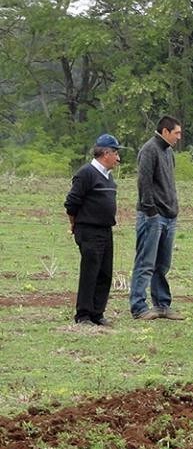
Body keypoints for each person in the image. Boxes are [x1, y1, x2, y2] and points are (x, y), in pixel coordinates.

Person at [64, 134, 124, 327]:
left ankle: (97, 313)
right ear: (105, 153)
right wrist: (74, 223)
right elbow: (71, 203)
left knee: (105, 272)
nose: (118, 158)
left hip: (106, 230)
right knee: (90, 272)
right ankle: (83, 315)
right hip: (89, 230)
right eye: (115, 153)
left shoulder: (108, 176)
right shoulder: (86, 173)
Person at [129, 115, 184, 321]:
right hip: (152, 216)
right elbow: (144, 182)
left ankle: (162, 305)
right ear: (165, 131)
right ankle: (138, 307)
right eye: (176, 133)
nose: (179, 137)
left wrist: (173, 209)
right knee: (145, 263)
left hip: (169, 216)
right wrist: (151, 211)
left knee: (162, 264)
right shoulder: (149, 149)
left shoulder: (168, 152)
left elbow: (168, 183)